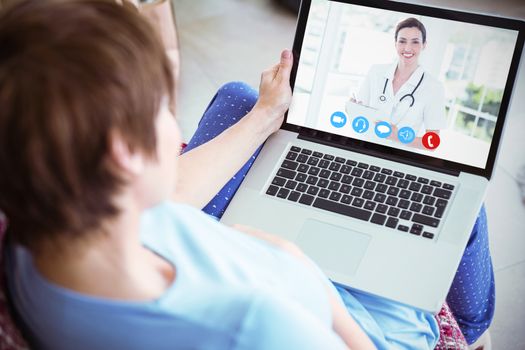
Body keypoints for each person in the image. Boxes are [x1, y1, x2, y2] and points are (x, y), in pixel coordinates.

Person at [0, 1, 493, 349]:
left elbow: (168, 200)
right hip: (358, 324)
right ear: (122, 154)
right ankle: (470, 335)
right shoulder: (256, 326)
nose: (175, 129)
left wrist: (263, 117)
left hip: (267, 261)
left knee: (241, 98)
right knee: (465, 206)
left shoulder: (33, 237)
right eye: (160, 110)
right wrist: (303, 269)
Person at [352, 18, 447, 148]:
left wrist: (397, 137)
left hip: (399, 158)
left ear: (424, 45)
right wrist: (353, 108)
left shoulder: (434, 88)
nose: (408, 48)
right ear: (395, 43)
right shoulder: (376, 72)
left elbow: (431, 143)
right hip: (365, 148)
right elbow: (360, 112)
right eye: (402, 41)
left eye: (415, 42)